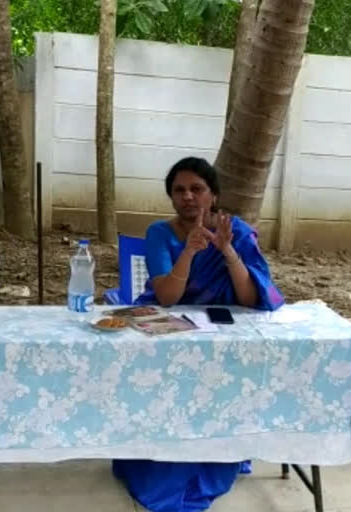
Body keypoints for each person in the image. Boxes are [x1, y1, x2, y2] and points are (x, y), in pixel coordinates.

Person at [113, 157, 284, 512]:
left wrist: (227, 250)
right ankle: (160, 453)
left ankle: (219, 448)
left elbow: (251, 298)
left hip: (220, 330)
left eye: (197, 189)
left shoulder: (235, 230)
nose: (188, 196)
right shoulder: (160, 233)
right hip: (168, 326)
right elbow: (168, 298)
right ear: (171, 198)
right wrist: (190, 250)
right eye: (179, 190)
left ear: (213, 195)